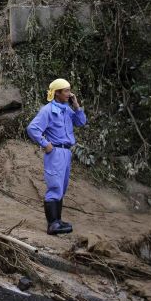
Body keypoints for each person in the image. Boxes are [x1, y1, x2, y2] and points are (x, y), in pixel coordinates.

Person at [27, 78, 87, 235]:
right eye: (66, 91)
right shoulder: (47, 110)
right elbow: (32, 128)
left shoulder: (66, 109)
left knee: (62, 187)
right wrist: (45, 144)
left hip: (66, 152)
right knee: (55, 186)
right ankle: (52, 224)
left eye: (69, 90)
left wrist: (76, 105)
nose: (69, 93)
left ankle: (57, 221)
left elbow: (81, 122)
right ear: (57, 93)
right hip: (55, 153)